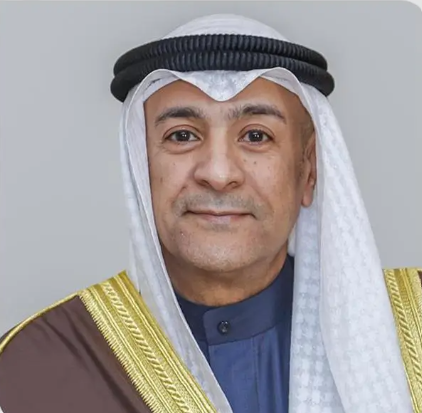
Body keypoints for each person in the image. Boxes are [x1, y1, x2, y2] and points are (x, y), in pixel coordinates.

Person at [0, 14, 420, 413]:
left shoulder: (414, 326)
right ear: (140, 169)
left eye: (256, 136)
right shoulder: (34, 367)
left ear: (308, 169)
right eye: (182, 136)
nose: (218, 175)